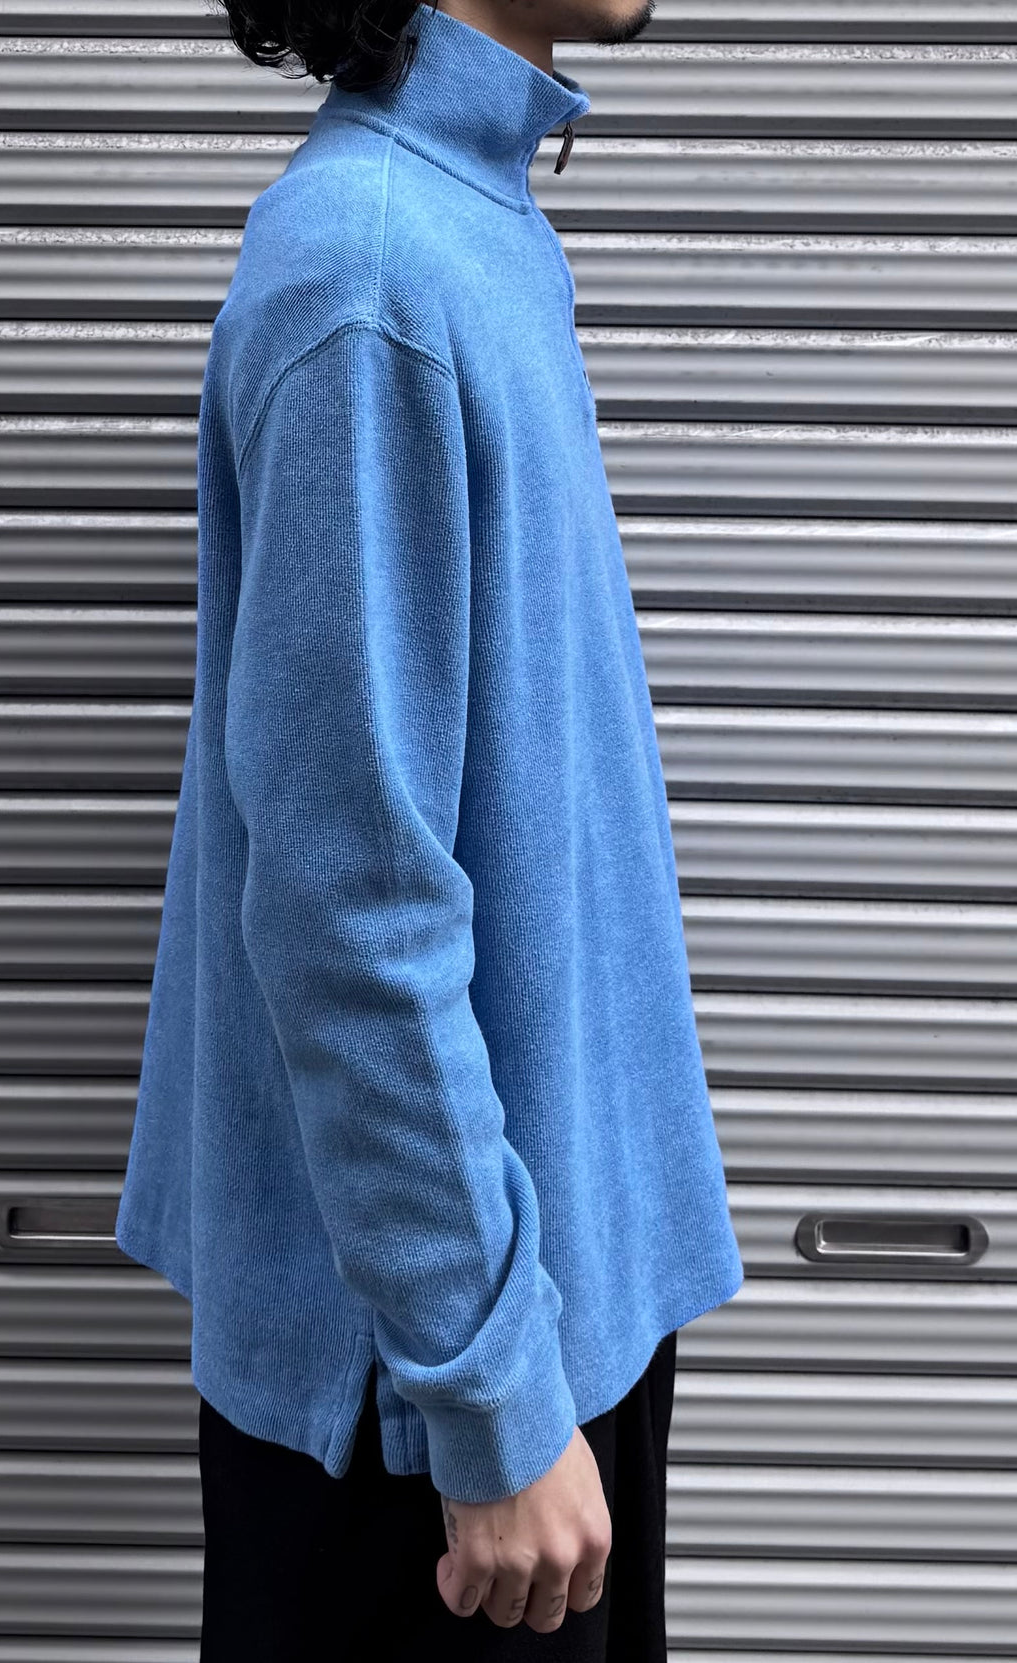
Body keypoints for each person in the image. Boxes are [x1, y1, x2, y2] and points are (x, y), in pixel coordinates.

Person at [114, 1, 745, 1656]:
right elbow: (347, 910)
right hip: (430, 1403)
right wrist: (489, 1395)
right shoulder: (373, 276)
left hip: (538, 1308)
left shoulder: (471, 228)